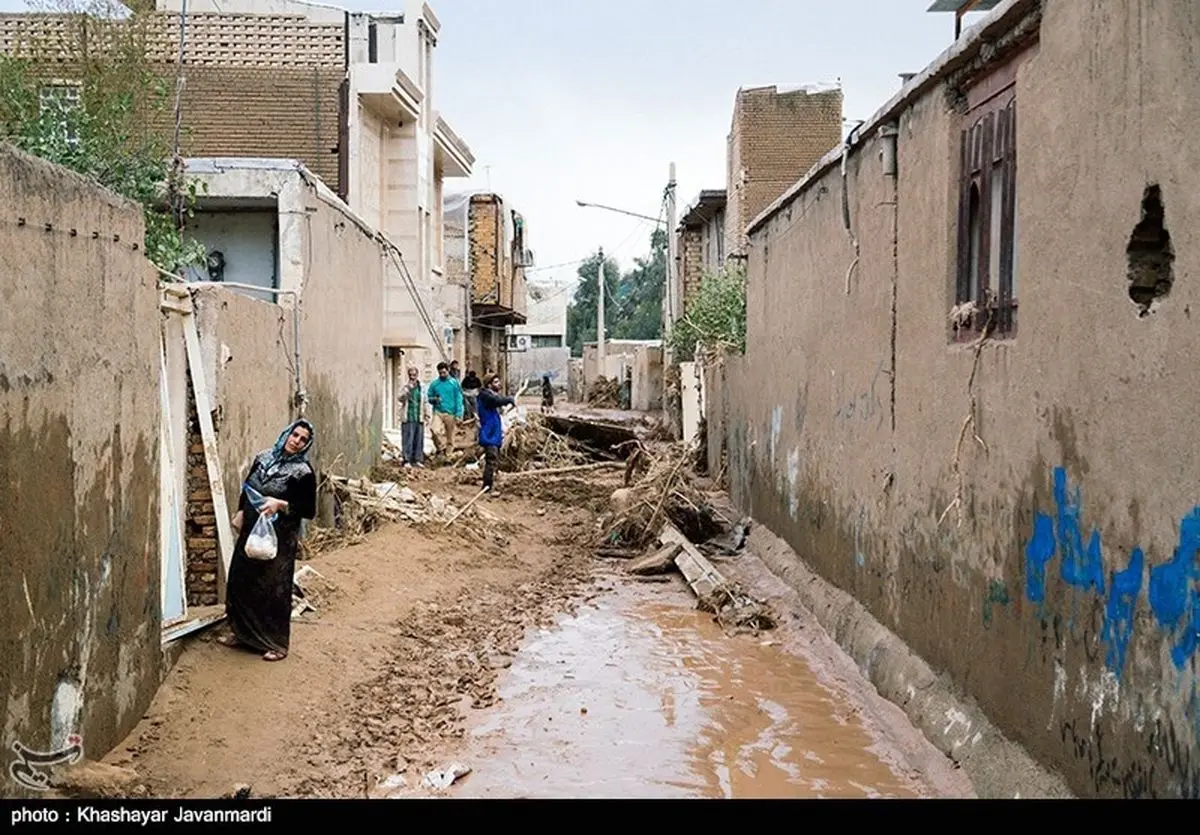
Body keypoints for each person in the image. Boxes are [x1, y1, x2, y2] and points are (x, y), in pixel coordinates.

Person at [219, 419, 317, 662]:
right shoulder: (263, 458)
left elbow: (308, 510)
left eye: (303, 439)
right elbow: (248, 487)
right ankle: (242, 634)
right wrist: (241, 511)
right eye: (295, 435)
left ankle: (276, 643)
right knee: (241, 581)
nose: (297, 441)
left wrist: (281, 505)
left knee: (272, 588)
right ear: (286, 434)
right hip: (251, 530)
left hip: (280, 538)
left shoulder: (303, 472)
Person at [477, 373, 515, 494]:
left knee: (494, 459)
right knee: (491, 459)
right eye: (496, 382)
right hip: (489, 434)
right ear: (489, 385)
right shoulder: (486, 396)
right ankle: (487, 486)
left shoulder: (488, 395)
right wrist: (508, 399)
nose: (498, 384)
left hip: (493, 433)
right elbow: (496, 401)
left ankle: (491, 483)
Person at [426, 361, 463, 459]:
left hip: (451, 412)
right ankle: (440, 448)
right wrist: (434, 400)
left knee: (450, 436)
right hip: (438, 411)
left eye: (444, 372)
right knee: (434, 430)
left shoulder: (454, 383)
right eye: (440, 373)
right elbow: (429, 397)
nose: (442, 375)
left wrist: (459, 413)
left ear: (448, 371)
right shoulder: (435, 384)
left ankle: (448, 456)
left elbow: (459, 398)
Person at [397, 366, 424, 467]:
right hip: (408, 416)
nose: (413, 377)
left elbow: (424, 401)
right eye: (411, 375)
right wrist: (408, 390)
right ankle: (407, 460)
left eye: (414, 375)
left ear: (417, 375)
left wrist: (426, 415)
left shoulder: (421, 387)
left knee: (418, 439)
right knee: (408, 438)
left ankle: (417, 459)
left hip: (418, 416)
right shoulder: (405, 387)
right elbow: (400, 398)